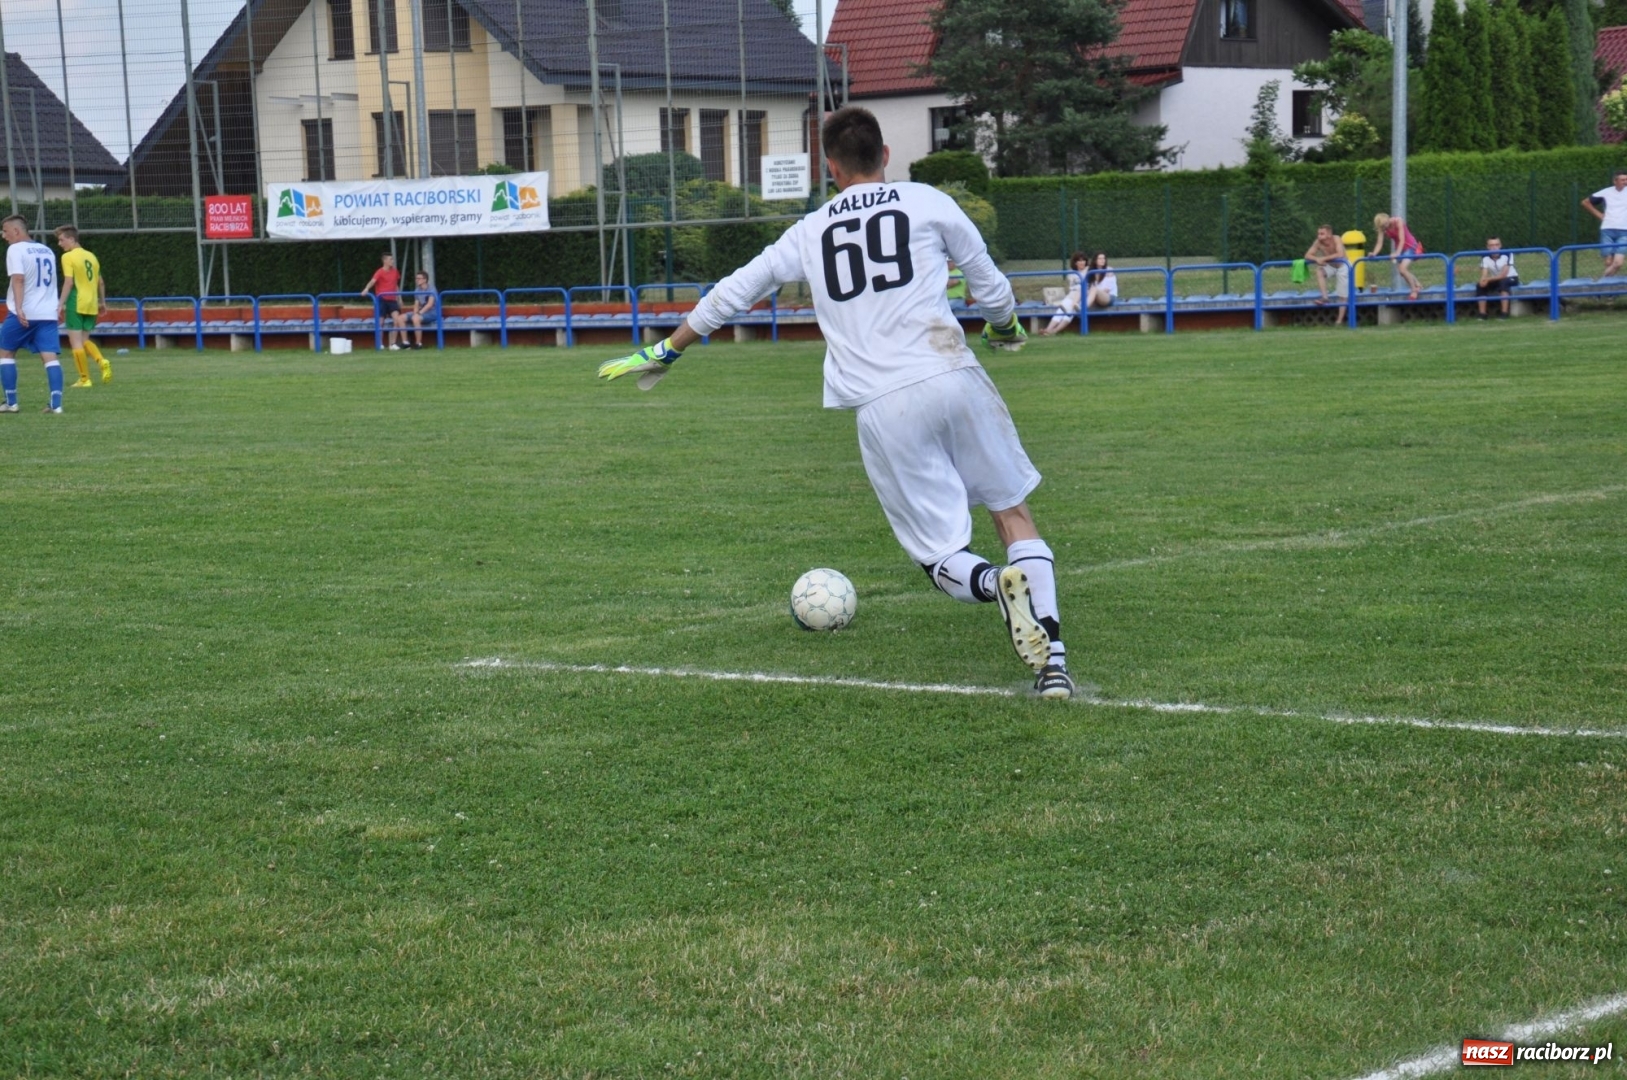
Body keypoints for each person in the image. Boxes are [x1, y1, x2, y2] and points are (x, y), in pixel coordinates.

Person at [596, 106, 1076, 699]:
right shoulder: (927, 200)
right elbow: (989, 283)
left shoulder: (809, 230)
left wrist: (667, 351)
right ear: (886, 157)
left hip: (884, 403)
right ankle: (1052, 663)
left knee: (940, 554)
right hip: (955, 373)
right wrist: (1004, 328)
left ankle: (990, 584)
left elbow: (733, 292)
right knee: (1012, 513)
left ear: (830, 167)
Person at [0, 215, 65, 414]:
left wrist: (19, 308)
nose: (3, 235)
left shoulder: (15, 249)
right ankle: (56, 404)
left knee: (5, 352)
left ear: (16, 231)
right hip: (47, 312)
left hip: (25, 311)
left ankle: (11, 403)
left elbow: (18, 279)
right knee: (50, 357)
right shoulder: (47, 250)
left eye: (5, 230)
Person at [53, 225, 111, 387]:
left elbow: (69, 282)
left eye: (62, 239)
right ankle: (101, 360)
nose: (60, 243)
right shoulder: (92, 256)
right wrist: (103, 302)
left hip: (76, 301)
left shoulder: (68, 257)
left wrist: (60, 304)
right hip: (91, 303)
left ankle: (84, 379)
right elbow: (100, 281)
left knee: (76, 342)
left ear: (72, 239)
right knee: (84, 340)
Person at [1581, 170, 1627, 278]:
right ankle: (1609, 289)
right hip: (1607, 230)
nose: (1625, 182)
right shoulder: (1606, 192)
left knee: (1618, 263)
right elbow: (1585, 202)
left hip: (1624, 231)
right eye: (1622, 180)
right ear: (1615, 181)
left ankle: (1600, 283)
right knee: (1608, 261)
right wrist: (1599, 215)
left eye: (1626, 180)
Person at [1370, 212, 1423, 300]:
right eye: (1383, 226)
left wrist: (1397, 253)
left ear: (1388, 218)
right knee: (1402, 272)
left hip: (1410, 246)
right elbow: (1379, 243)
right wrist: (1374, 253)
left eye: (1386, 224)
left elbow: (1402, 240)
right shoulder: (1383, 228)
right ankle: (1418, 284)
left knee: (1402, 269)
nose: (1386, 227)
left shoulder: (1398, 221)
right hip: (1401, 248)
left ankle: (1414, 289)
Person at [360, 251, 403, 350]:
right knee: (380, 322)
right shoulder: (379, 272)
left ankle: (392, 344)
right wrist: (366, 288)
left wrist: (399, 297)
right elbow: (372, 281)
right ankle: (380, 344)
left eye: (392, 259)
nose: (392, 261)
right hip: (382, 299)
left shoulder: (395, 271)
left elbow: (396, 285)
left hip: (392, 299)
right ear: (385, 261)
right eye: (390, 259)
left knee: (397, 319)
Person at [1041, 251, 1088, 335]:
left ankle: (1054, 331)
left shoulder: (1088, 271)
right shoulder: (1071, 273)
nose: (1082, 263)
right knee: (1061, 310)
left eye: (1083, 260)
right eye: (1079, 261)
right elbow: (1074, 287)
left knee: (1070, 312)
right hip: (1072, 296)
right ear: (1075, 262)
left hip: (1083, 297)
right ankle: (1048, 330)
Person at [1304, 224, 1348, 306]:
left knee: (1343, 296)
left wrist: (1323, 259)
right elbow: (1307, 255)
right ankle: (1325, 298)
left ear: (1329, 235)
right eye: (1318, 234)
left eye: (1322, 234)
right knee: (1319, 271)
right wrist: (1317, 259)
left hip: (1343, 266)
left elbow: (1340, 254)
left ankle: (1340, 318)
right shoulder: (1318, 242)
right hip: (1331, 266)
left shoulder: (1336, 238)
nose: (1319, 236)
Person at [1474, 237, 1517, 319]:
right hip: (1495, 279)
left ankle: (1504, 313)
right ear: (1488, 247)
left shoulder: (1507, 253)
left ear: (1500, 245)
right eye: (1491, 245)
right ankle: (1482, 314)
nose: (1494, 247)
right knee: (1480, 285)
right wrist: (1483, 280)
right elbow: (1484, 273)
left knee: (1503, 282)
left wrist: (1488, 279)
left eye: (1496, 245)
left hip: (1511, 277)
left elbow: (1504, 275)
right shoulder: (1484, 256)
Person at [406, 271, 438, 349]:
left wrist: (419, 313)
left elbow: (429, 305)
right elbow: (416, 304)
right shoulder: (417, 290)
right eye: (416, 278)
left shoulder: (432, 289)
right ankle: (405, 343)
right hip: (422, 312)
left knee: (415, 318)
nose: (417, 280)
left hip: (433, 312)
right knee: (400, 318)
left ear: (425, 280)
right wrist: (415, 312)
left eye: (419, 278)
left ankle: (418, 343)